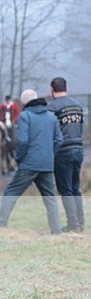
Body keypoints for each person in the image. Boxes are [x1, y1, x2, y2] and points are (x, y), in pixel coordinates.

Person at [0, 89, 63, 234]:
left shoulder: (24, 116)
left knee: (11, 192)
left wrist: (18, 158)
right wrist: (49, 154)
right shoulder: (51, 117)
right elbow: (59, 140)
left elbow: (23, 142)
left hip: (29, 164)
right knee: (50, 198)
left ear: (23, 102)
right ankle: (57, 231)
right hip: (47, 164)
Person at [48, 76, 85, 232]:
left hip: (63, 151)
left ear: (52, 90)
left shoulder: (51, 108)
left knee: (65, 189)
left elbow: (50, 132)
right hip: (79, 148)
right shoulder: (78, 106)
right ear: (66, 88)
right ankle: (80, 221)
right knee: (75, 187)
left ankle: (73, 224)